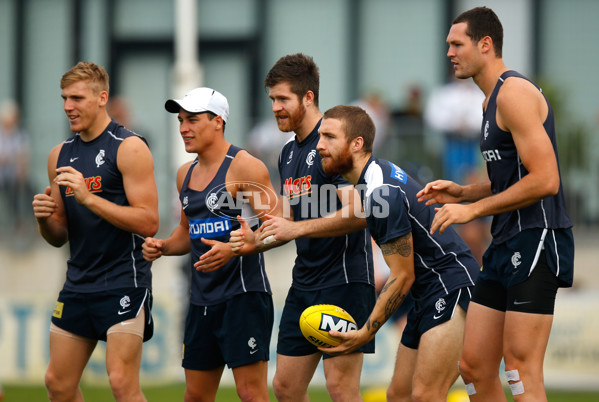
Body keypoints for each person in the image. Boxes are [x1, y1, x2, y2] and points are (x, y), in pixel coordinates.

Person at [417, 7, 574, 401]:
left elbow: (546, 179)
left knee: (519, 366)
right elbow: (514, 176)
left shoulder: (514, 93)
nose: (449, 52)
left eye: (457, 44)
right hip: (505, 241)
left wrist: (472, 211)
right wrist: (464, 192)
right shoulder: (489, 102)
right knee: (473, 365)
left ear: (485, 44)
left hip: (538, 237)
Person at [232, 53, 376, 402]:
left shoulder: (333, 140)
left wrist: (294, 230)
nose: (276, 107)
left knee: (341, 389)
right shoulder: (286, 153)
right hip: (305, 282)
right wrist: (256, 239)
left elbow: (360, 213)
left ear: (308, 97)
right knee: (285, 387)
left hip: (344, 281)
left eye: (283, 99)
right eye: (272, 100)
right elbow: (290, 218)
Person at [312, 104, 479, 401]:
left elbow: (402, 277)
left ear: (357, 144)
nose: (320, 145)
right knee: (398, 394)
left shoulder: (381, 193)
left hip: (451, 286)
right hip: (425, 292)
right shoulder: (375, 176)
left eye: (328, 137)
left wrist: (365, 332)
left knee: (427, 395)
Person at [141, 87, 279, 402]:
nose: (183, 129)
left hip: (243, 298)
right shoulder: (183, 175)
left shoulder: (245, 166)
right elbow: (186, 233)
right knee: (196, 397)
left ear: (218, 121)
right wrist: (163, 246)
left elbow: (278, 226)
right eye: (180, 121)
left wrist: (238, 246)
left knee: (251, 394)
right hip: (201, 300)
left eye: (192, 120)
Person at [32, 61, 159, 401]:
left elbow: (149, 222)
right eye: (64, 98)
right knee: (57, 384)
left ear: (102, 98)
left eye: (76, 98)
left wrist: (89, 199)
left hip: (124, 280)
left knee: (121, 383)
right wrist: (46, 219)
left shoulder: (129, 147)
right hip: (78, 282)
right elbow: (59, 236)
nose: (67, 107)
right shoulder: (60, 155)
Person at [0, 100, 32, 240]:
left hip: (13, 178)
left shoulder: (20, 135)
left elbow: (23, 157)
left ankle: (20, 225)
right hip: (2, 177)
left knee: (23, 193)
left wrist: (21, 169)